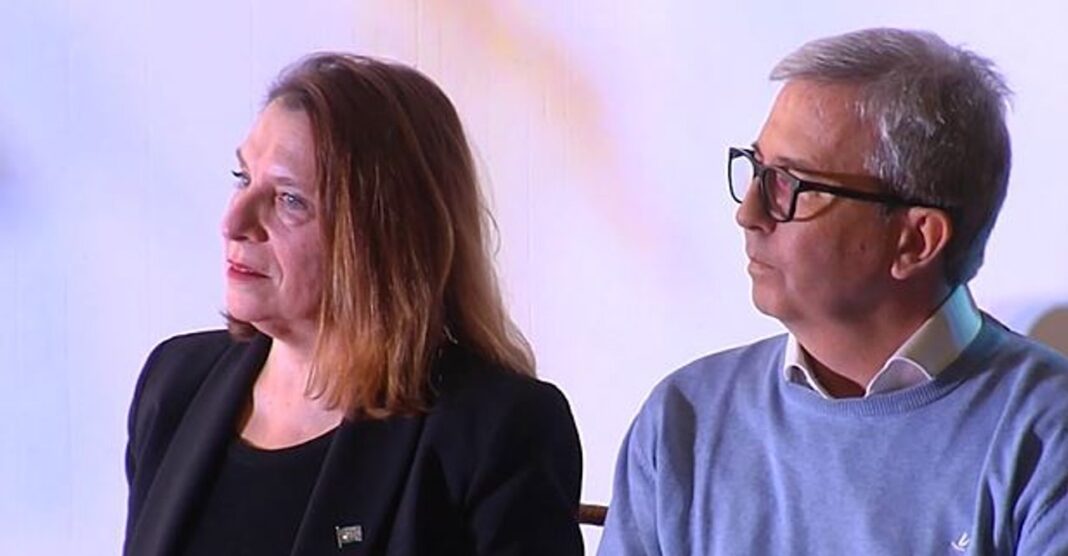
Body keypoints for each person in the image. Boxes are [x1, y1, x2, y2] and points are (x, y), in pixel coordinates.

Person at [599, 28, 1068, 555]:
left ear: (915, 240)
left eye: (789, 184)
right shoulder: (685, 419)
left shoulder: (1046, 432)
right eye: (756, 169)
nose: (748, 213)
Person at [124, 53, 583, 556]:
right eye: (242, 178)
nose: (234, 221)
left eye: (290, 200)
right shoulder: (175, 383)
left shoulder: (496, 431)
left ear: (384, 238)